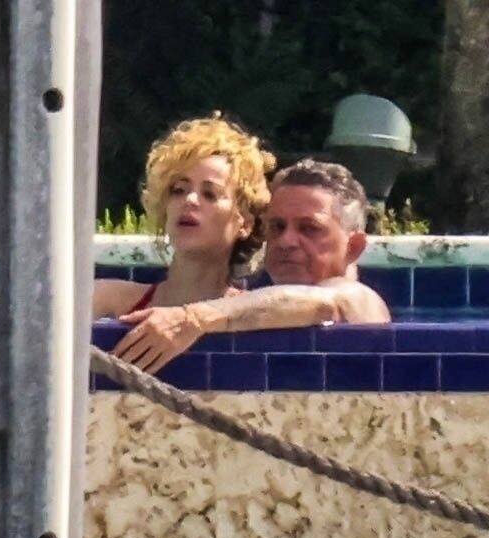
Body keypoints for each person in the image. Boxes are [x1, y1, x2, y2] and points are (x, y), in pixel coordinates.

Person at [113, 159, 390, 373]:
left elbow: (323, 303)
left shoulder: (360, 300)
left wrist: (191, 319)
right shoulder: (253, 308)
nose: (286, 241)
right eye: (277, 227)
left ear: (354, 247)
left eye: (309, 228)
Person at [92, 114, 275, 318]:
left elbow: (305, 301)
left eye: (210, 194)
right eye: (178, 190)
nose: (190, 200)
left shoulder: (258, 314)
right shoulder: (107, 300)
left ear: (245, 223)